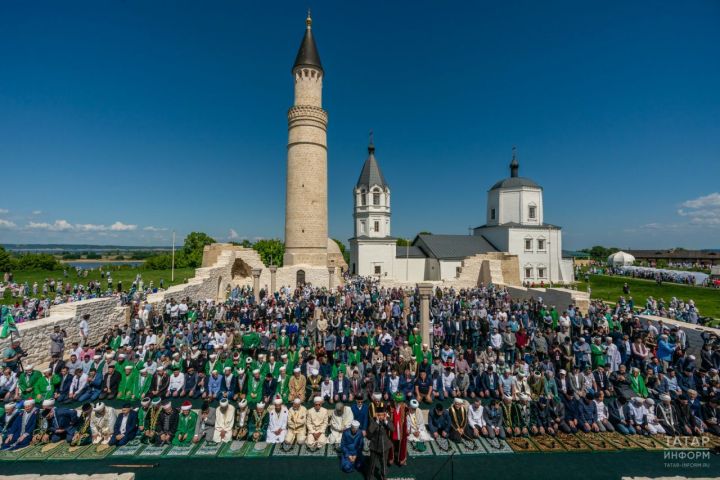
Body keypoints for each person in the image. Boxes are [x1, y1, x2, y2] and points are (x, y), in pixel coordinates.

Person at [365, 409, 393, 480]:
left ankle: (383, 477)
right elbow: (370, 431)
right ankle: (370, 477)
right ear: (376, 415)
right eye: (379, 415)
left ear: (384, 415)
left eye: (382, 415)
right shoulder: (373, 420)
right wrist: (376, 422)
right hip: (374, 446)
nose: (380, 417)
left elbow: (393, 429)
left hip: (385, 445)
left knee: (384, 463)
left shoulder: (387, 420)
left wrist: (386, 421)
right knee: (372, 463)